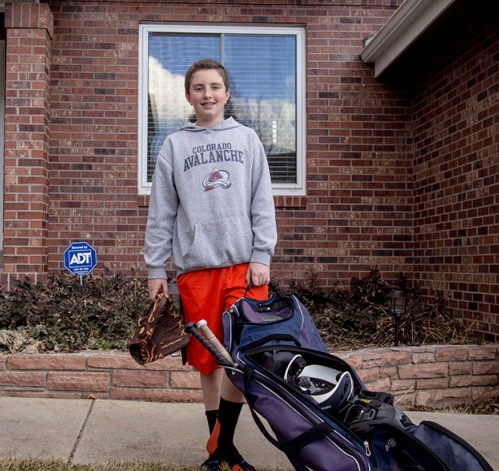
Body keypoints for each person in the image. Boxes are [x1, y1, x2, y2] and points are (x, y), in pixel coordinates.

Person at [144, 58, 277, 471]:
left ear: (227, 93)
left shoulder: (247, 139)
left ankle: (223, 446)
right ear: (188, 96)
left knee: (242, 357)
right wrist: (155, 268)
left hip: (243, 267)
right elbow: (161, 212)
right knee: (208, 361)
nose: (208, 94)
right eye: (199, 88)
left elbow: (262, 200)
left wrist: (262, 254)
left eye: (215, 86)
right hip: (196, 269)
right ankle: (220, 452)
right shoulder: (174, 146)